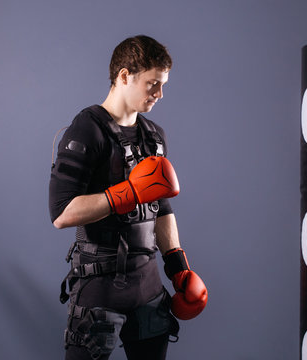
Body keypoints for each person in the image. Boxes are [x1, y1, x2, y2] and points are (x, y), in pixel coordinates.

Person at [49, 35, 207, 360]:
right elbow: (62, 213)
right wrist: (128, 193)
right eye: (152, 84)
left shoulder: (153, 135)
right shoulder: (86, 131)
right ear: (124, 76)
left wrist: (177, 265)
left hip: (148, 286)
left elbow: (160, 206)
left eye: (162, 85)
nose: (159, 94)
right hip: (100, 288)